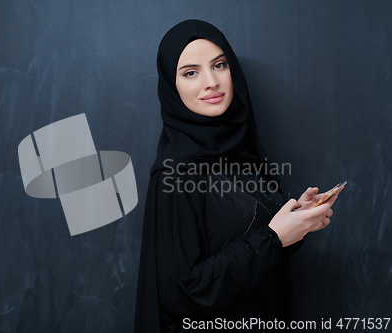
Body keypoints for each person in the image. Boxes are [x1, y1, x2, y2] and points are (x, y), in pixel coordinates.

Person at [134, 19, 342, 332]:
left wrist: (293, 222)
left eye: (219, 65)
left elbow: (247, 243)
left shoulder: (244, 155)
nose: (211, 82)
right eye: (191, 72)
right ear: (171, 86)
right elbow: (185, 290)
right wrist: (273, 238)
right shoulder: (175, 174)